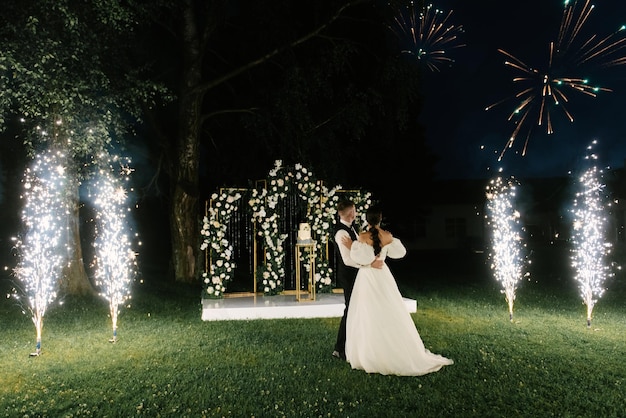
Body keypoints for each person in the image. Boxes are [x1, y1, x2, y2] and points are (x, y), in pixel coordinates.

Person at [342, 205, 453, 376]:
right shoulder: (387, 236)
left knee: (366, 312)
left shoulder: (362, 237)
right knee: (388, 309)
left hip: (367, 277)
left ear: (366, 219)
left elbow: (358, 258)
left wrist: (351, 246)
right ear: (380, 219)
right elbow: (400, 253)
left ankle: (369, 352)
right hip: (382, 276)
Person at [332, 199, 383, 361]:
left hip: (357, 275)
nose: (355, 213)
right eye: (354, 210)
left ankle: (355, 344)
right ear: (349, 213)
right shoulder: (341, 233)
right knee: (350, 310)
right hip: (348, 276)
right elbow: (347, 260)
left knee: (357, 309)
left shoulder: (352, 229)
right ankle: (339, 348)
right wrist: (369, 264)